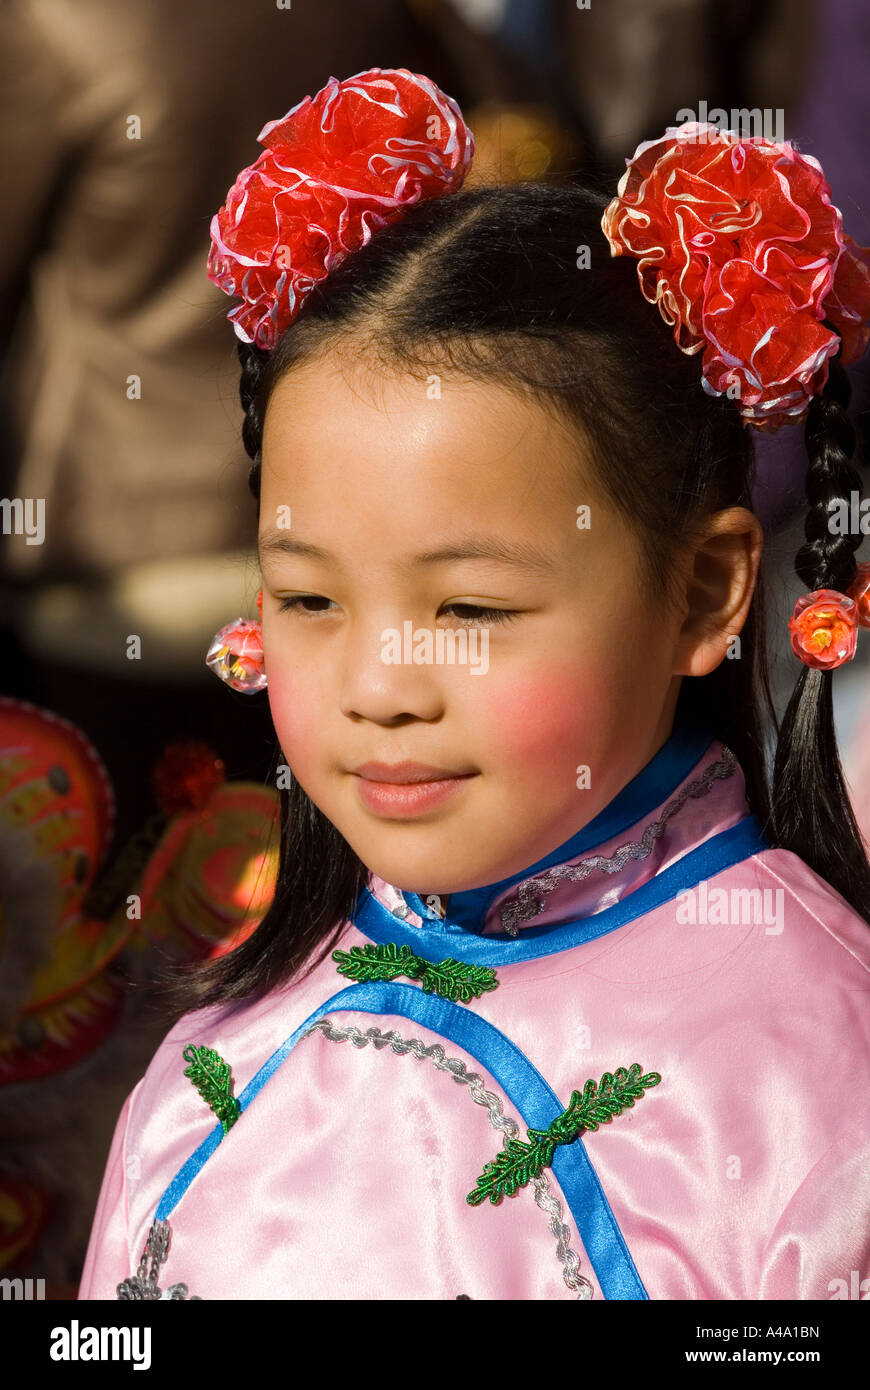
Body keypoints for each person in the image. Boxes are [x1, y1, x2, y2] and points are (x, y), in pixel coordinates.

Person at [78, 69, 870, 1301]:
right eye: (309, 599)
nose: (381, 687)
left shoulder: (818, 1092)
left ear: (708, 590)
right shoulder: (213, 1068)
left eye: (471, 609)